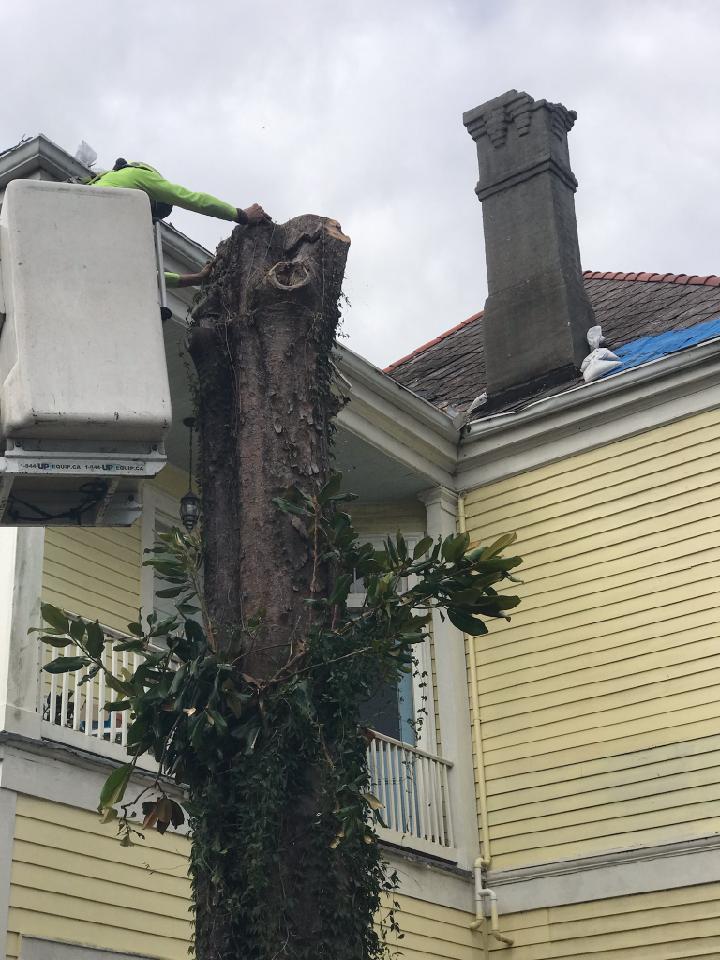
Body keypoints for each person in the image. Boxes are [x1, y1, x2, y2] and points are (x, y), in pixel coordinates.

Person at [89, 158, 270, 289]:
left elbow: (142, 276)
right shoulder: (137, 174)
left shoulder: (105, 229)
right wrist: (241, 215)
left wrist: (196, 279)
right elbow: (193, 200)